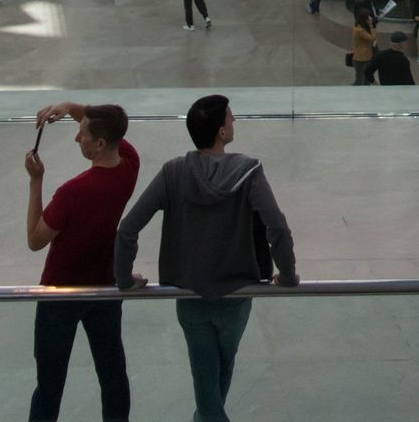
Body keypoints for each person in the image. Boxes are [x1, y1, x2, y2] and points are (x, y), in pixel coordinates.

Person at [115, 93, 297, 422]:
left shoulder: (173, 172)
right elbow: (278, 228)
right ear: (221, 132)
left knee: (206, 380)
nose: (234, 120)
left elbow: (127, 228)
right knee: (221, 372)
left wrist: (124, 279)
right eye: (230, 117)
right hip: (236, 294)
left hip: (190, 293)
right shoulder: (248, 170)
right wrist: (287, 274)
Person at [25, 98, 139, 422]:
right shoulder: (129, 165)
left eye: (83, 133)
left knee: (49, 384)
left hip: (59, 294)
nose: (77, 137)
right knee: (113, 375)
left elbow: (35, 239)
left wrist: (36, 182)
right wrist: (71, 107)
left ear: (99, 144)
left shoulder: (73, 192)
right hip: (103, 288)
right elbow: (109, 124)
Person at [350, 3, 377, 84]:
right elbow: (372, 38)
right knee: (360, 80)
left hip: (365, 57)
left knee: (365, 80)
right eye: (368, 16)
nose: (370, 17)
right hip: (361, 59)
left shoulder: (359, 27)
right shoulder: (360, 30)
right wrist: (371, 25)